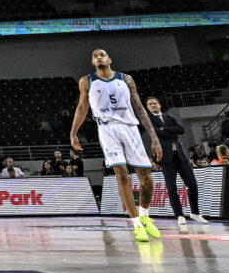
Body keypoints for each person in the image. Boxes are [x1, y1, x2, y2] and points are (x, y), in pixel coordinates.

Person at [70, 49, 165, 242]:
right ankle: (136, 224)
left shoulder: (126, 79)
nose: (98, 58)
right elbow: (82, 108)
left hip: (130, 128)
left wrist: (154, 138)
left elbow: (139, 107)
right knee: (121, 174)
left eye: (102, 55)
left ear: (110, 59)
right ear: (92, 62)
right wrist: (73, 132)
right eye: (95, 56)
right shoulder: (86, 81)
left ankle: (144, 214)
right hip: (107, 129)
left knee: (146, 178)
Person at [145, 95, 205, 227]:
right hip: (165, 159)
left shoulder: (170, 117)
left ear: (159, 104)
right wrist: (171, 132)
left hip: (180, 156)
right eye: (150, 104)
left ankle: (195, 212)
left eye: (155, 103)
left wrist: (165, 129)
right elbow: (157, 133)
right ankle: (179, 215)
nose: (153, 105)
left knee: (193, 185)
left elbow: (182, 130)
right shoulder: (149, 120)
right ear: (148, 108)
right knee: (172, 188)